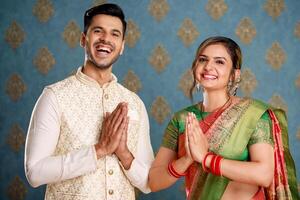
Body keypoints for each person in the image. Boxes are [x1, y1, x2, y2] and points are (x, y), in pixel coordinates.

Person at [24, 3, 154, 200]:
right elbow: (34, 172)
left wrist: (124, 154)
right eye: (98, 31)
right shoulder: (54, 96)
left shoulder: (135, 103)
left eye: (115, 34)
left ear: (122, 46)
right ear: (84, 39)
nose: (106, 39)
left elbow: (148, 183)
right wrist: (99, 150)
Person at [148, 36, 299, 200]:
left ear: (234, 74)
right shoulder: (182, 119)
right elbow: (154, 181)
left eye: (219, 62)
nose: (208, 66)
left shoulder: (253, 114)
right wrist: (187, 159)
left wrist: (205, 159)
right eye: (202, 60)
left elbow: (264, 174)